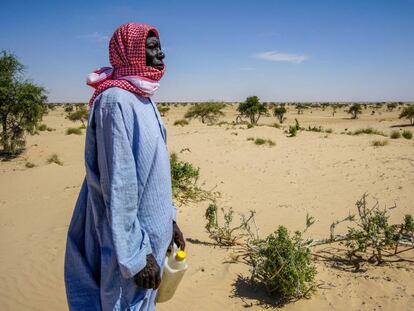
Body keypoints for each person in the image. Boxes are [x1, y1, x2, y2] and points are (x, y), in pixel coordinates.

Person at [64, 22, 185, 311]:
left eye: (159, 47)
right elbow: (119, 187)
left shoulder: (142, 99)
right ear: (129, 51)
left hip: (150, 245)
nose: (161, 55)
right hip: (129, 252)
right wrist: (136, 256)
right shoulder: (114, 101)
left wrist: (170, 220)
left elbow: (153, 173)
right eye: (152, 48)